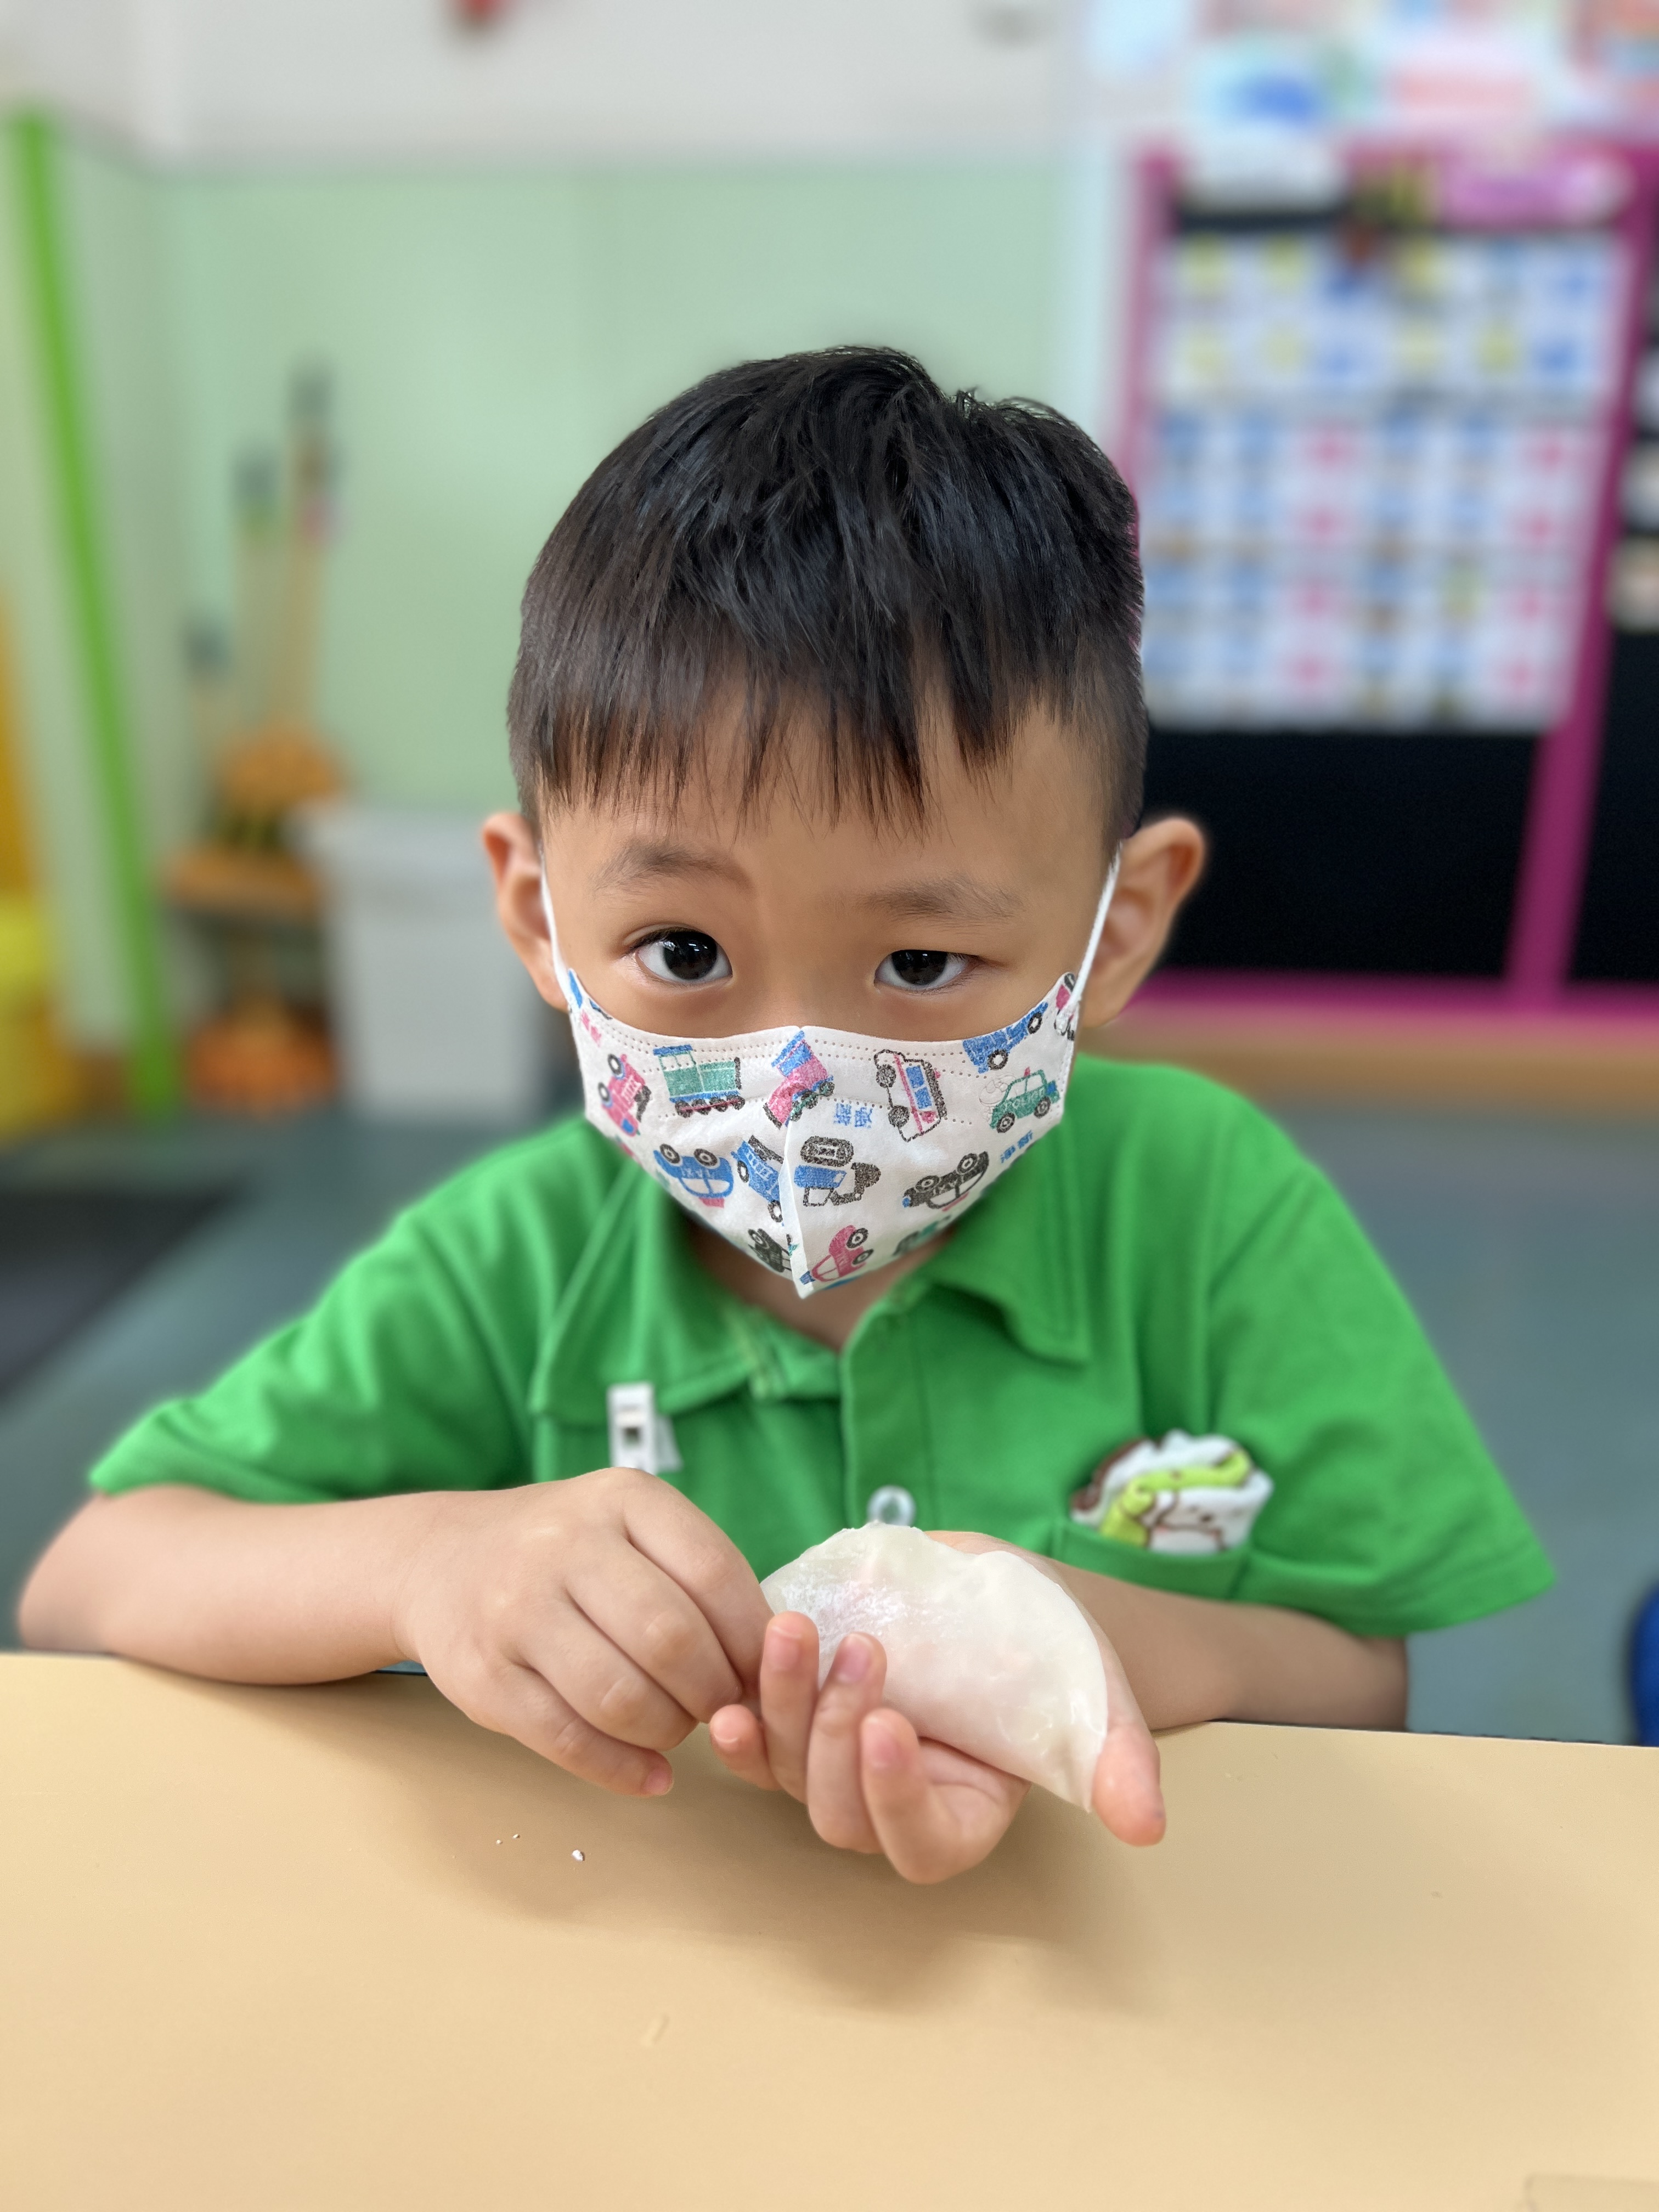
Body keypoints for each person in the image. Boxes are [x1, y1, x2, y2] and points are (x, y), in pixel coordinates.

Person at [19, 348, 1551, 1883]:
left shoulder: (1212, 1211)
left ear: (1118, 929)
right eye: (686, 951)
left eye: (920, 962)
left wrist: (1063, 1645)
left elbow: (1362, 1674)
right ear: (540, 915)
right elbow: (92, 1576)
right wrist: (426, 1562)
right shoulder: (513, 1262)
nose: (799, 1070)